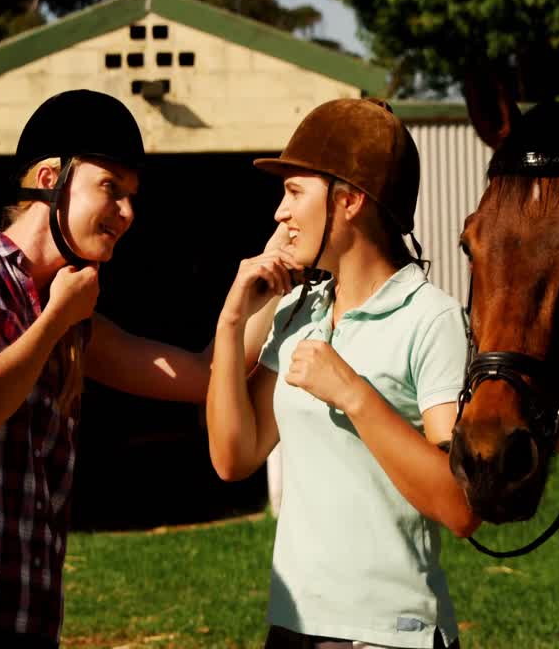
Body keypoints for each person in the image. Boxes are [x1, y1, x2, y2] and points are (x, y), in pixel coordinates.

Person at [0, 89, 270, 648]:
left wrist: (264, 289)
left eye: (132, 197)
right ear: (50, 178)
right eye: (111, 189)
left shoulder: (73, 319)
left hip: (21, 619)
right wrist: (53, 321)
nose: (127, 213)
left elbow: (207, 375)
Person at [206, 98, 481, 649]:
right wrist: (232, 319)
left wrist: (353, 393)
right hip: (293, 627)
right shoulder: (299, 312)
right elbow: (233, 457)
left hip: (388, 635)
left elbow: (461, 505)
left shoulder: (433, 317)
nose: (279, 214)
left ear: (350, 200)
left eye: (294, 193)